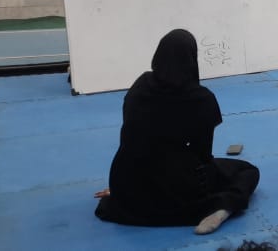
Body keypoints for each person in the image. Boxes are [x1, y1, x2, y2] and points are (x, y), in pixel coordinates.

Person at [94, 29, 260, 235]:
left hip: (126, 183)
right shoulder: (200, 99)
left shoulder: (140, 85)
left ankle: (135, 187)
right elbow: (202, 155)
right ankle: (223, 207)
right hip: (175, 188)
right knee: (247, 171)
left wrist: (124, 185)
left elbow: (129, 136)